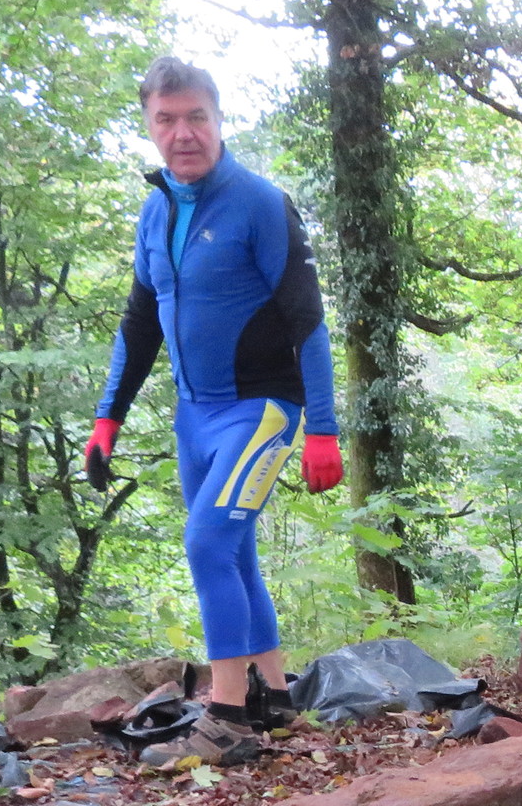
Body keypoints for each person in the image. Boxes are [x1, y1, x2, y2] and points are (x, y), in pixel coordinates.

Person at [83, 55, 346, 766]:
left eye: (196, 117)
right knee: (235, 549)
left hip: (262, 410)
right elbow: (140, 322)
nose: (183, 133)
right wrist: (108, 419)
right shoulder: (156, 209)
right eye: (166, 119)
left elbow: (308, 320)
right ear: (149, 125)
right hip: (194, 418)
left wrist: (323, 428)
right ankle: (273, 696)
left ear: (219, 119)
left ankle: (226, 717)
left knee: (206, 544)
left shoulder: (259, 202)